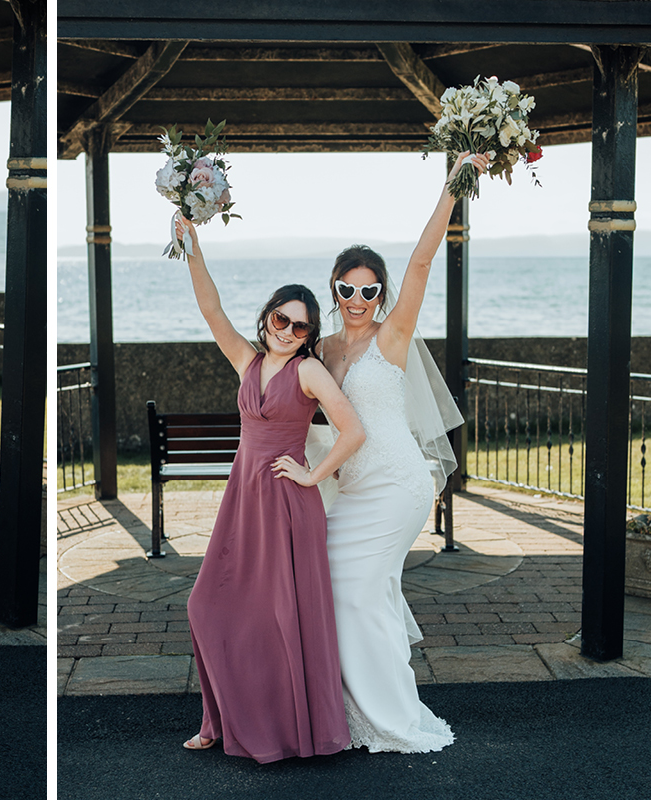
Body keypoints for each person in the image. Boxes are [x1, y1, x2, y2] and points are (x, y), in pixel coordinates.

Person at [309, 151, 487, 753]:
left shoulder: (393, 334)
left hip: (400, 485)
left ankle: (388, 717)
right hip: (351, 488)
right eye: (346, 288)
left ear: (380, 292)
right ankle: (356, 706)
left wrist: (453, 185)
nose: (358, 297)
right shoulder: (321, 347)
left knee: (359, 589)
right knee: (347, 586)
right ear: (333, 288)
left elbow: (420, 260)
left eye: (368, 289)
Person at [175, 215, 365, 762]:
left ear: (309, 335)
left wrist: (310, 473)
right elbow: (211, 309)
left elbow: (353, 431)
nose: (287, 331)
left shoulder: (308, 373)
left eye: (301, 327)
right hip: (244, 499)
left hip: (286, 502)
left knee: (279, 616)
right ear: (268, 316)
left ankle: (282, 728)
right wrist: (193, 246)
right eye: (281, 319)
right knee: (206, 604)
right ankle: (219, 718)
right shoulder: (248, 360)